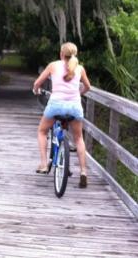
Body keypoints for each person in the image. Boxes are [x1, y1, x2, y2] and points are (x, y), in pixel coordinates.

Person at [32, 42, 91, 188]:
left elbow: (37, 83)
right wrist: (78, 93)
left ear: (61, 54)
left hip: (56, 105)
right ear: (75, 55)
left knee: (41, 131)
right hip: (75, 107)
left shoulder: (53, 65)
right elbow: (88, 87)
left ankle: (44, 164)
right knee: (78, 138)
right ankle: (83, 172)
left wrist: (36, 90)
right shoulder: (80, 69)